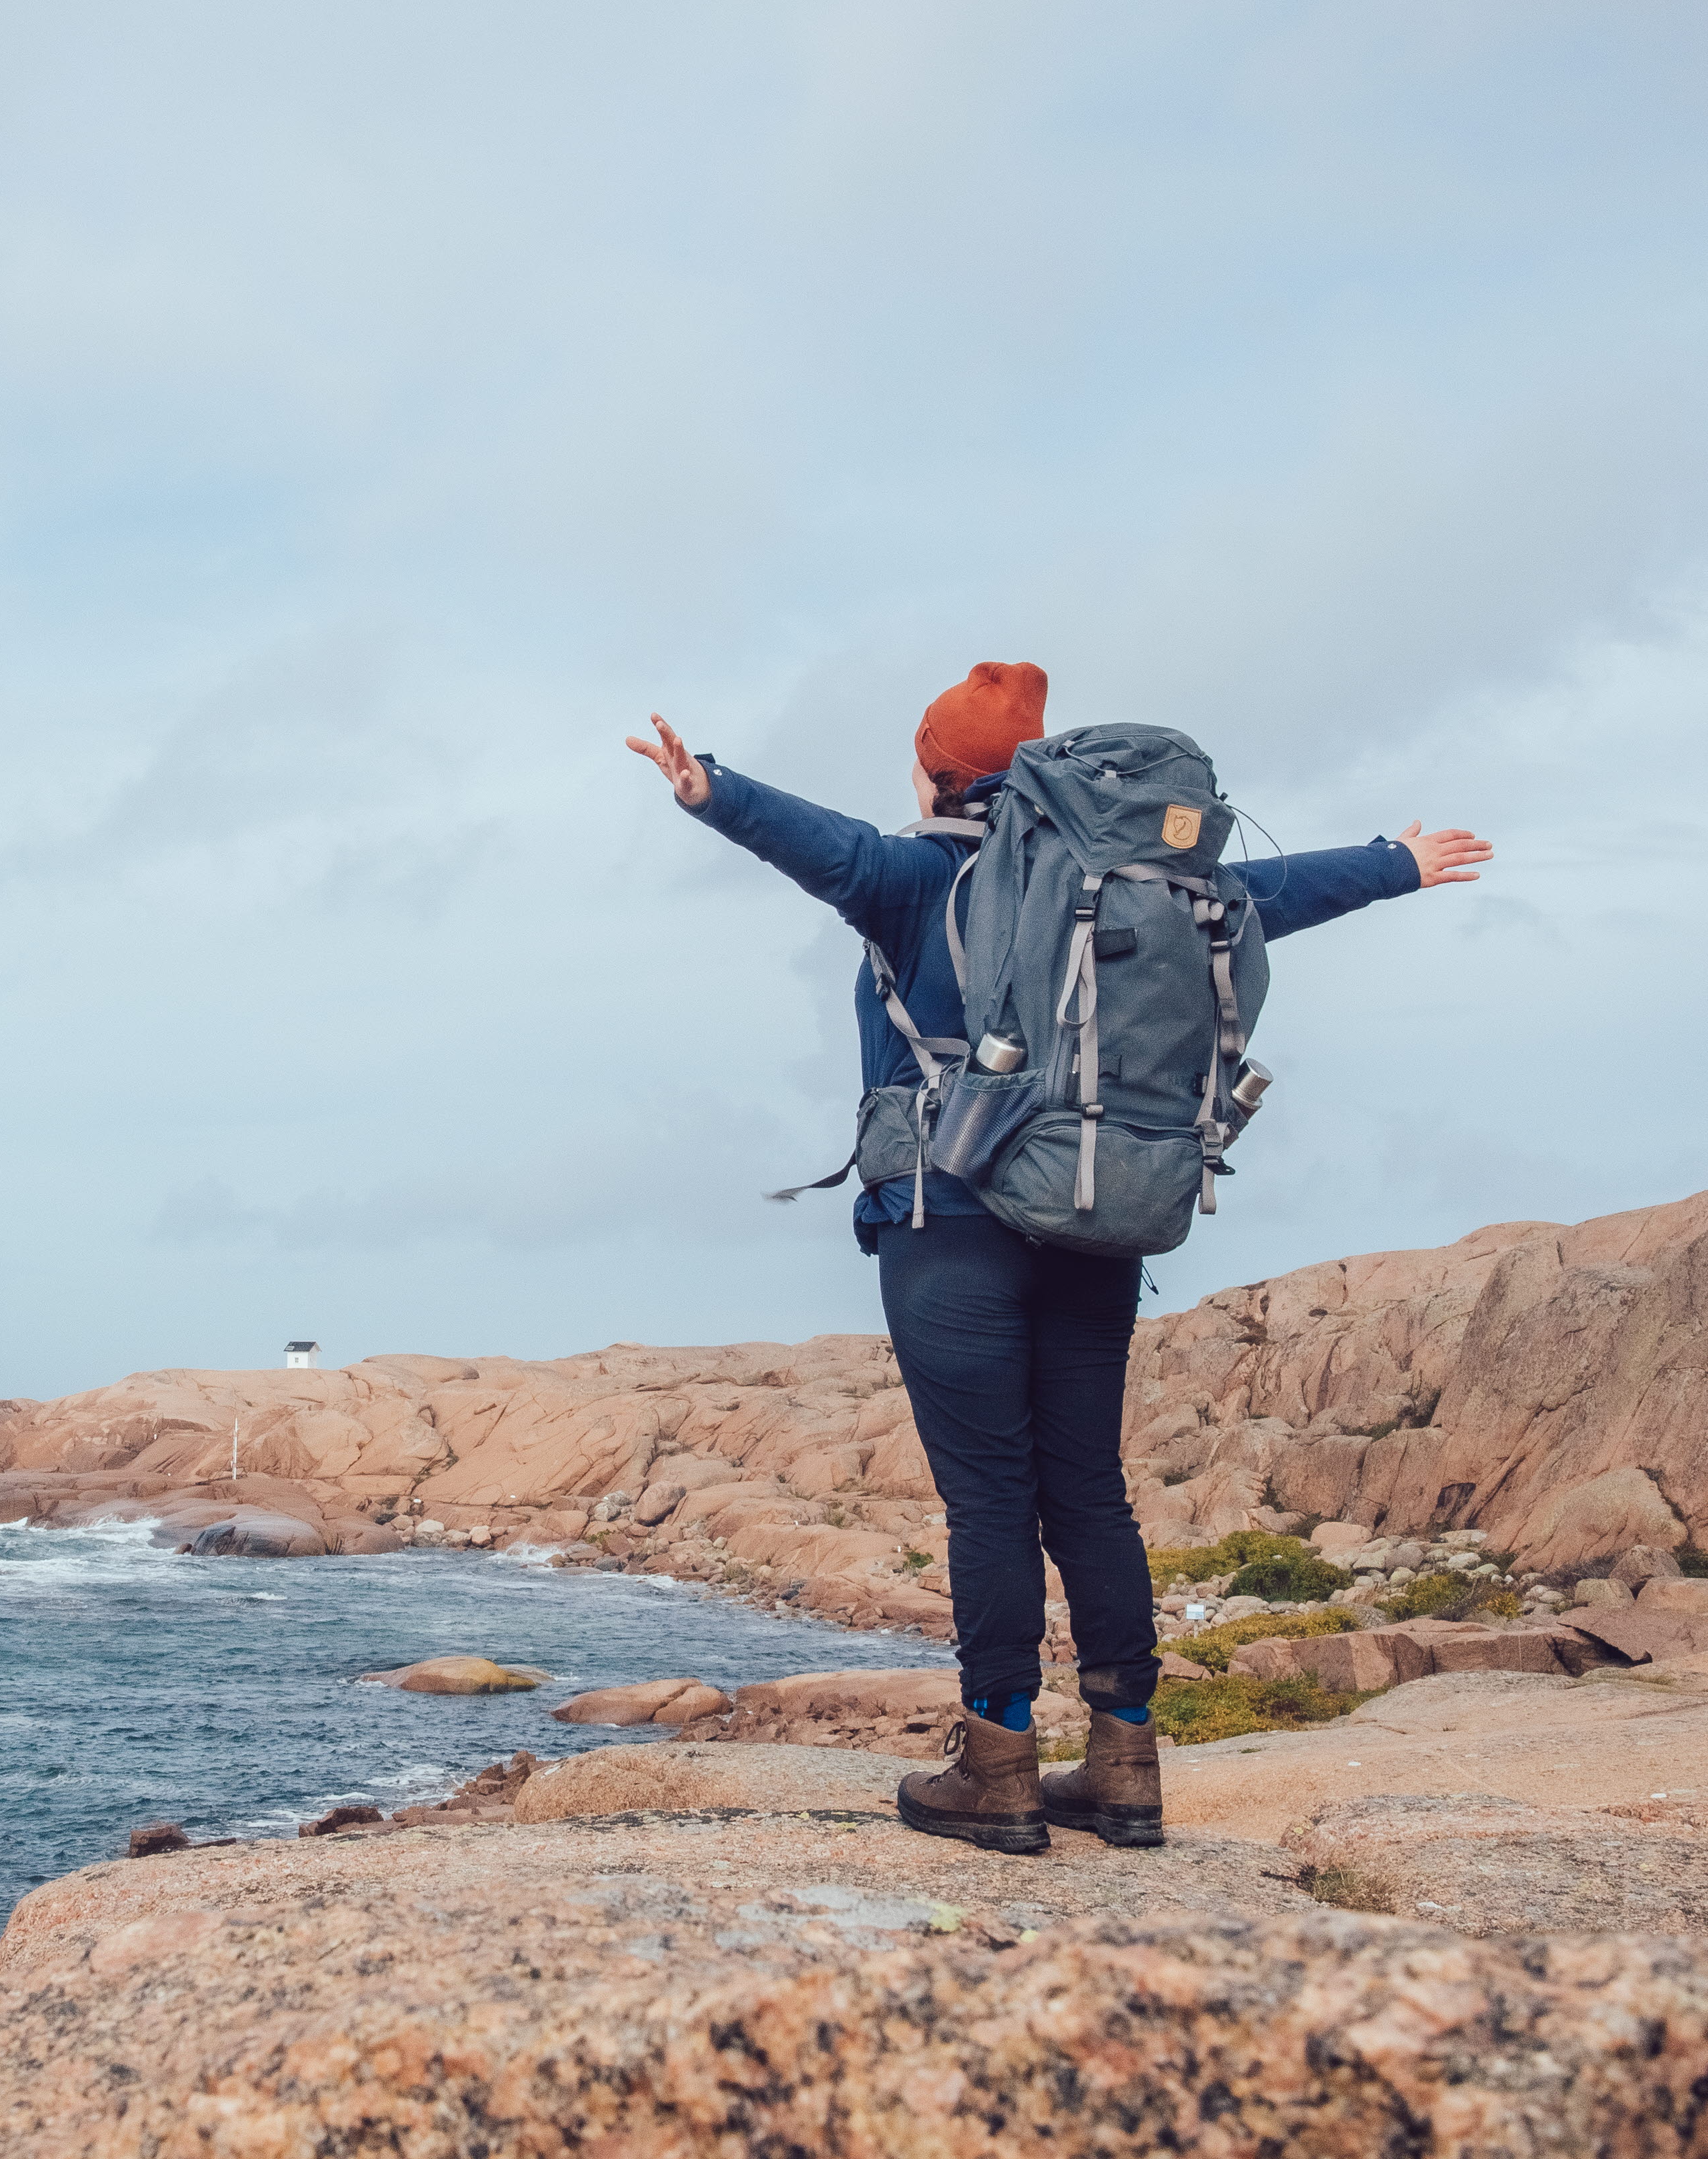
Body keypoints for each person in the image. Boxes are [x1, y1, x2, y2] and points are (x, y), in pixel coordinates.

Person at [627, 662, 1491, 1854]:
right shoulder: (1136, 886)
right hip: (1099, 1214)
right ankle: (1125, 1764)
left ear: (934, 771)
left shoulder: (908, 873)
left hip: (949, 1224)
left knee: (989, 1499)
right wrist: (1394, 863)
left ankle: (997, 1768)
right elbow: (1265, 894)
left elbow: (814, 844)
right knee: (1089, 1490)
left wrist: (708, 787)